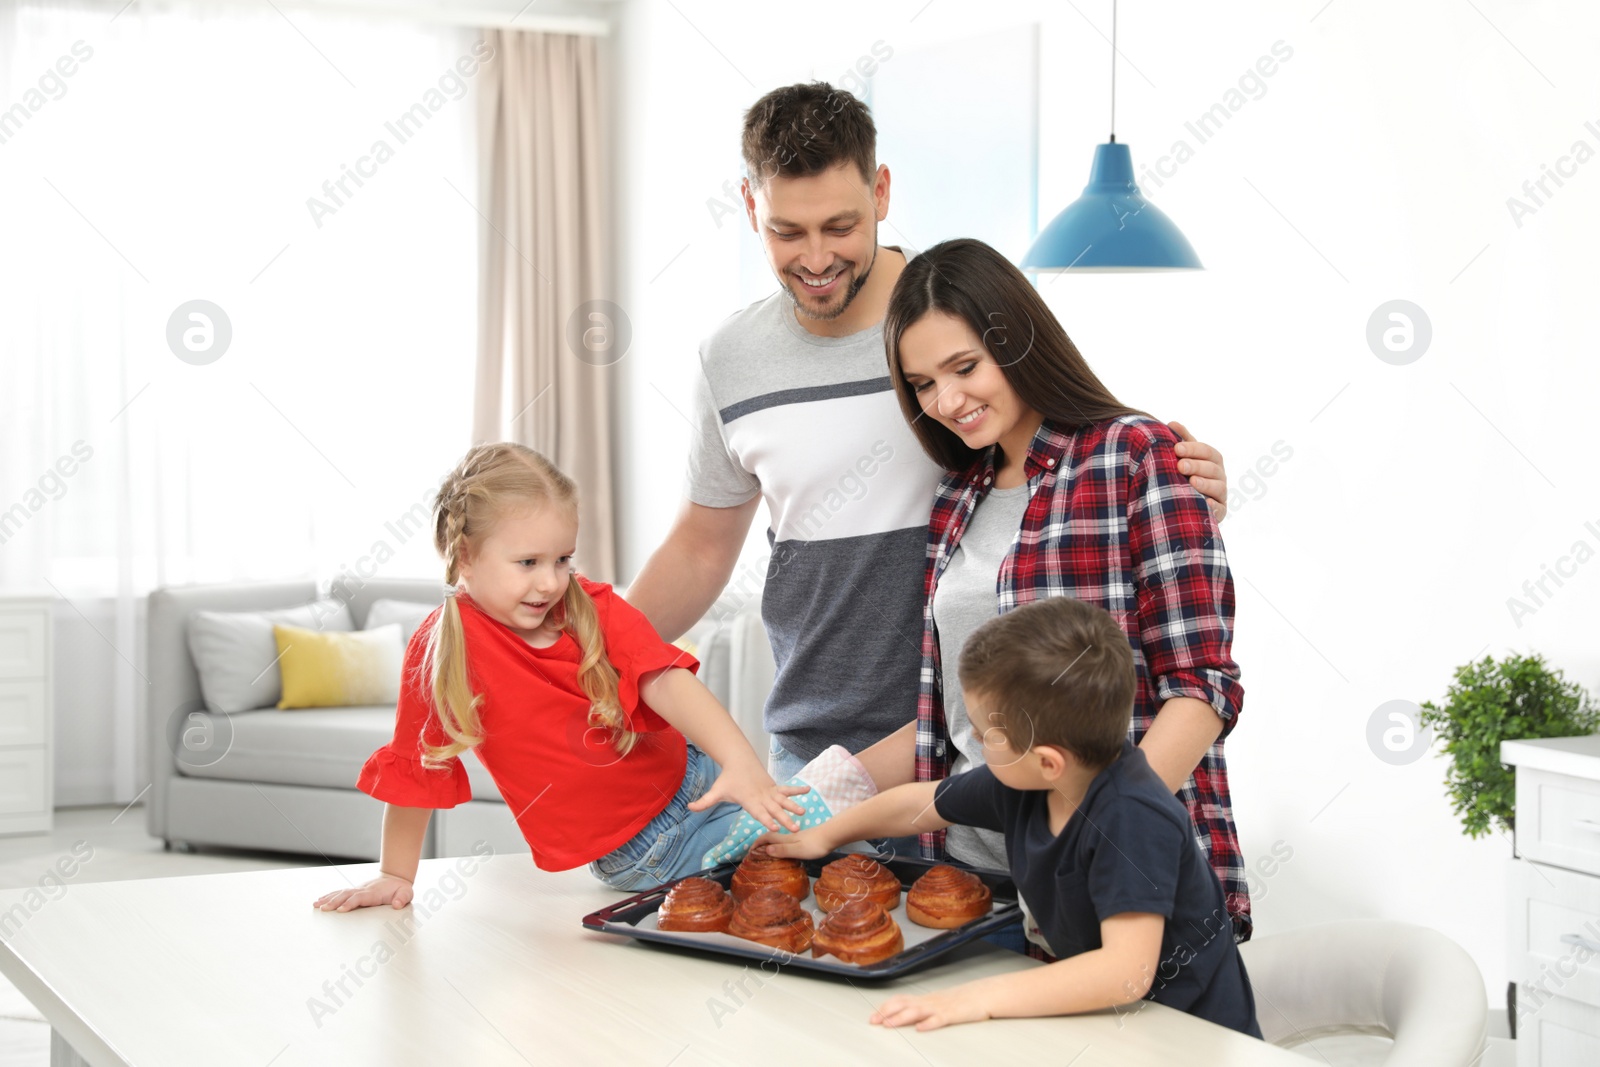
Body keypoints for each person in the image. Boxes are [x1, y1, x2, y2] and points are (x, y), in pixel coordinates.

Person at [624, 82, 1230, 793]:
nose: (816, 258)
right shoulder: (729, 359)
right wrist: (586, 654)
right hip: (819, 749)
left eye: (840, 226)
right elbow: (700, 546)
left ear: (881, 192)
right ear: (750, 206)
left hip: (970, 744)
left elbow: (1076, 454)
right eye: (787, 231)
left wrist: (1175, 495)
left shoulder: (952, 316)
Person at [311, 442, 876, 913]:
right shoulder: (441, 651)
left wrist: (742, 764)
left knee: (848, 820)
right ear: (465, 555)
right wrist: (394, 874)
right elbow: (417, 768)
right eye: (528, 563)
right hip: (650, 848)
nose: (551, 582)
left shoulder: (592, 606)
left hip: (700, 780)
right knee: (829, 844)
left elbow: (665, 680)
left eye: (563, 559)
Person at [881, 237, 1251, 941]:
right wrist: (811, 793)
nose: (948, 399)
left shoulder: (1136, 458)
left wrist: (1097, 833)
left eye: (965, 366)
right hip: (972, 878)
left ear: (1016, 341)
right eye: (924, 383)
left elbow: (1201, 688)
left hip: (1113, 880)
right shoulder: (956, 497)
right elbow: (950, 716)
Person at [764, 597, 1261, 1038]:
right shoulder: (1024, 784)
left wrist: (978, 999)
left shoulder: (1132, 818)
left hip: (1192, 1035)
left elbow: (1125, 973)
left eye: (987, 735)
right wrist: (823, 834)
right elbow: (918, 805)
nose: (975, 743)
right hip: (1112, 1027)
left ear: (1048, 760)